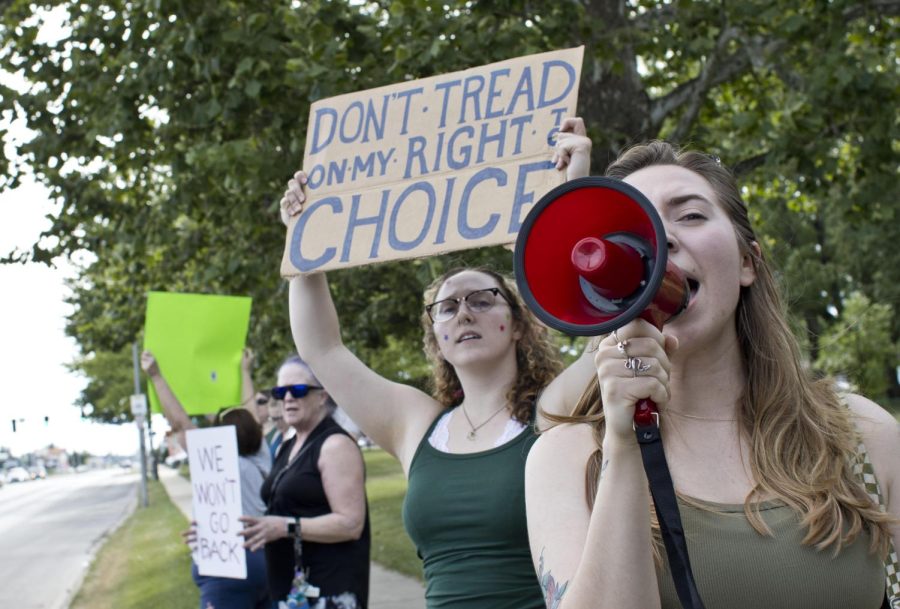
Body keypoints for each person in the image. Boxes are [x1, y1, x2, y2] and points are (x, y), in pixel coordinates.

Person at [524, 141, 900, 609]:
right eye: (633, 227)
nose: (661, 240)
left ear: (748, 262)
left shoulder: (861, 433)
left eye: (691, 216)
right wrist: (625, 449)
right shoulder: (566, 459)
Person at [278, 118, 597, 609]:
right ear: (438, 339)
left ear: (517, 324)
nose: (463, 311)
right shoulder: (415, 423)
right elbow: (323, 350)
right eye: (446, 308)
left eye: (482, 300)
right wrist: (304, 242)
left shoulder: (550, 412)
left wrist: (570, 197)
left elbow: (612, 336)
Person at [141, 350, 271, 609]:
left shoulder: (216, 462)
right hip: (266, 561)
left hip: (227, 566)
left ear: (218, 438)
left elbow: (179, 423)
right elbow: (250, 415)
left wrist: (156, 377)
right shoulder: (262, 458)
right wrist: (245, 372)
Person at [238, 355, 370, 609]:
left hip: (328, 591)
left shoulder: (335, 445)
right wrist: (214, 534)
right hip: (292, 592)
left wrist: (285, 527)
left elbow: (351, 524)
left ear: (322, 395)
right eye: (281, 391)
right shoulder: (287, 446)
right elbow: (274, 514)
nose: (287, 398)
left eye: (297, 390)